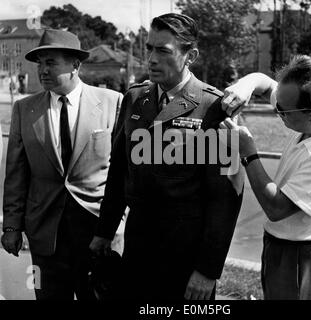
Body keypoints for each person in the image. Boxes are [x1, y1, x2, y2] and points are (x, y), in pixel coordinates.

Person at [89, 13, 244, 300]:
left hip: (185, 257)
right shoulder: (135, 98)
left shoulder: (214, 107)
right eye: (149, 48)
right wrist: (105, 232)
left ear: (190, 55)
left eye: (163, 50)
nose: (152, 58)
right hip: (137, 249)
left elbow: (226, 200)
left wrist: (208, 270)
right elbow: (119, 171)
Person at [220, 55, 311, 299]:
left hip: (304, 259)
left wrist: (249, 153)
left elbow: (276, 208)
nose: (276, 111)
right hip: (285, 249)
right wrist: (247, 84)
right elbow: (265, 84)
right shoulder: (309, 112)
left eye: (282, 111)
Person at [1, 29, 123, 300]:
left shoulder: (112, 103)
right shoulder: (25, 109)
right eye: (40, 63)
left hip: (98, 234)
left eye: (51, 62)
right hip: (45, 237)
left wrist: (120, 221)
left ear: (75, 65)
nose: (42, 70)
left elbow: (123, 173)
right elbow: (16, 174)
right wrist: (11, 226)